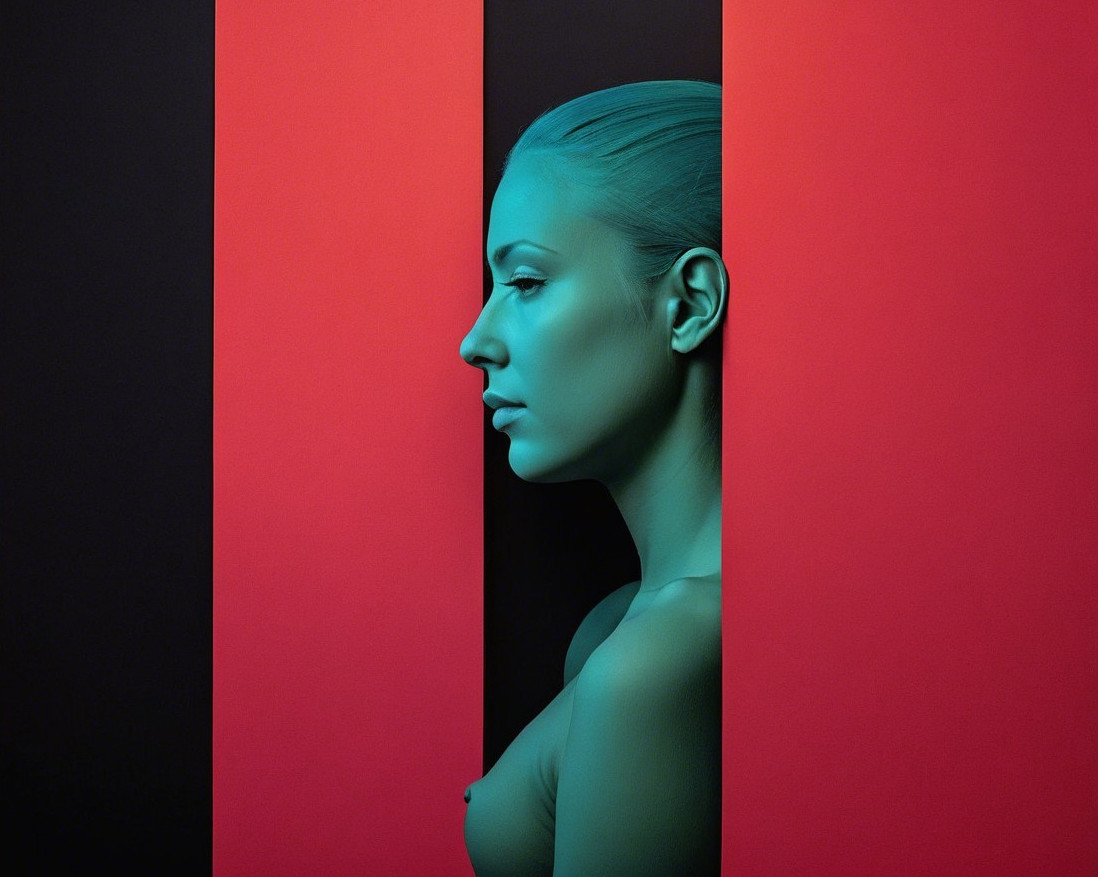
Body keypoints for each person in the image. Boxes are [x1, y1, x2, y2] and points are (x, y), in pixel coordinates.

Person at [460, 80, 725, 877]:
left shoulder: (656, 663)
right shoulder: (616, 629)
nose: (477, 340)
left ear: (688, 303)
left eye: (528, 282)